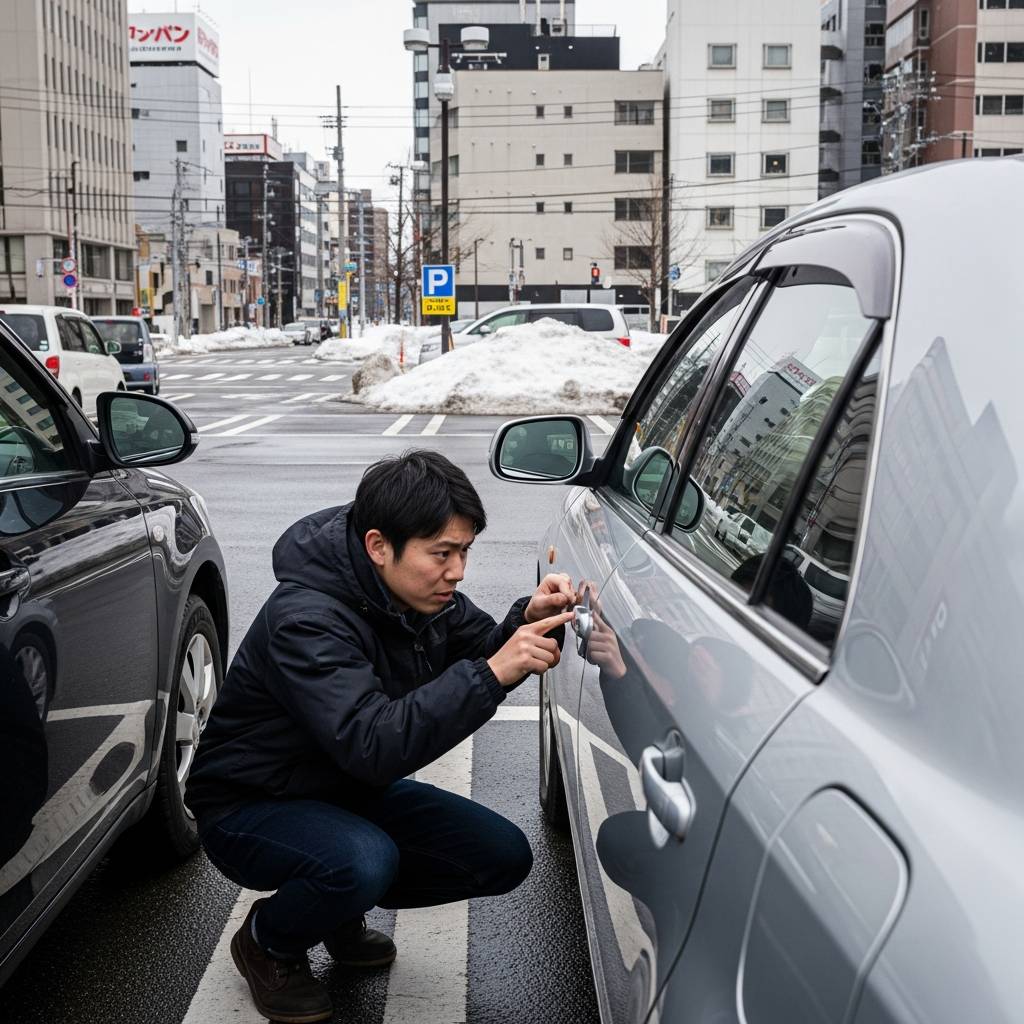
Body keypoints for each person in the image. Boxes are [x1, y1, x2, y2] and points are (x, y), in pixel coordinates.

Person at [185, 449, 575, 1023]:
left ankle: (335, 907)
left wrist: (527, 621)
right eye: (442, 553)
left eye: (465, 551)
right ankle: (268, 940)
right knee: (363, 861)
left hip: (341, 788)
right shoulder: (307, 619)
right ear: (378, 546)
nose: (457, 571)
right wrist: (494, 672)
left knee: (501, 855)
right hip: (250, 804)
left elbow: (479, 651)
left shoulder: (417, 593)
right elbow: (372, 745)